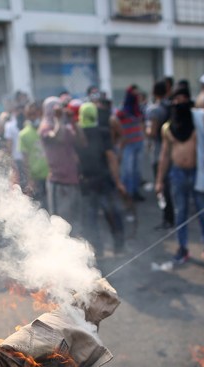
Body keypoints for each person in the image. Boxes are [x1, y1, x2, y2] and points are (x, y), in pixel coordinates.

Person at [154, 86, 204, 265]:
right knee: (180, 213)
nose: (179, 102)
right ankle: (182, 248)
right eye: (176, 99)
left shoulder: (201, 119)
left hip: (199, 172)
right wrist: (159, 180)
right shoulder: (168, 128)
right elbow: (164, 155)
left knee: (203, 212)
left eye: (183, 99)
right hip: (177, 174)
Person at [76, 101, 127, 258]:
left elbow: (75, 159)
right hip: (104, 180)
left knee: (91, 218)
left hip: (87, 181)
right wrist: (118, 181)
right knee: (112, 214)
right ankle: (119, 248)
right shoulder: (103, 132)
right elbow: (111, 157)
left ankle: (98, 250)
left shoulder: (77, 135)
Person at [39, 96, 84, 229]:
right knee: (60, 224)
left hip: (72, 180)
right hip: (58, 181)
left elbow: (82, 142)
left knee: (74, 221)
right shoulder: (45, 127)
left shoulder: (66, 126)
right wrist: (59, 120)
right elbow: (57, 138)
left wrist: (74, 122)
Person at [146, 80, 173, 229]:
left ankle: (167, 217)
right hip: (172, 151)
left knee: (161, 186)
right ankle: (171, 216)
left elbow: (152, 132)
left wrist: (145, 128)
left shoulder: (154, 110)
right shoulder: (169, 106)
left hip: (159, 153)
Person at [116, 85, 145, 202]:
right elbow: (115, 123)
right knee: (127, 171)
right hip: (128, 144)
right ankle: (126, 193)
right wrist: (120, 139)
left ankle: (134, 192)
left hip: (137, 142)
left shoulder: (137, 109)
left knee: (136, 171)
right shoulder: (123, 111)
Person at [18, 101, 49, 210]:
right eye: (30, 114)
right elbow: (25, 160)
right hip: (36, 178)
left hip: (52, 176)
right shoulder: (24, 134)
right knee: (42, 208)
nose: (33, 117)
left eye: (35, 113)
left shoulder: (48, 130)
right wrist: (30, 179)